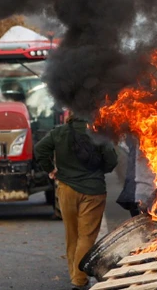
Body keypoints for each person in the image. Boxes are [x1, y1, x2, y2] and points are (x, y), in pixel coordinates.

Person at [35, 112, 118, 290]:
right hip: (93, 191)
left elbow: (40, 149)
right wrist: (97, 172)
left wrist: (51, 169)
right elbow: (112, 160)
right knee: (86, 236)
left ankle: (75, 274)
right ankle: (79, 280)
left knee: (71, 234)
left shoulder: (59, 132)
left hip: (66, 189)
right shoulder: (98, 132)